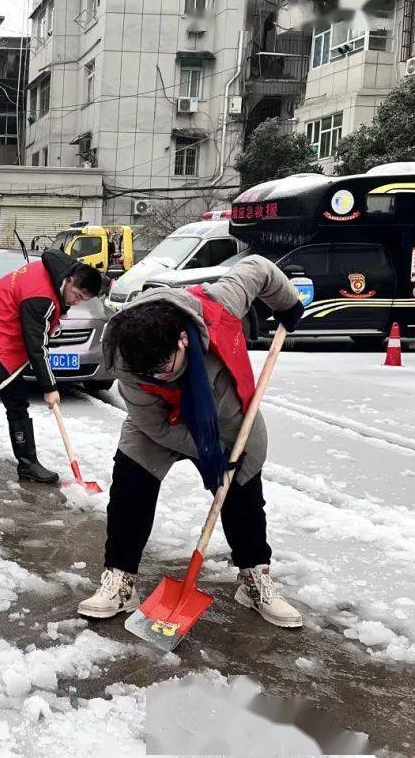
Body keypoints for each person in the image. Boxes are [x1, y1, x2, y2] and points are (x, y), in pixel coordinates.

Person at [77, 255, 306, 629]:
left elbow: (259, 267)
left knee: (242, 492)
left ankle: (254, 577)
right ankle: (120, 579)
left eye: (164, 367)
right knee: (130, 488)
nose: (158, 376)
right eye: (150, 372)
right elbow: (158, 428)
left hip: (228, 420)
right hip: (158, 426)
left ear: (182, 339)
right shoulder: (128, 364)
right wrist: (209, 453)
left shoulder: (220, 303)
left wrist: (288, 304)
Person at [0, 249, 103, 482]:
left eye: (82, 300)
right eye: (76, 295)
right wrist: (49, 387)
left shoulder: (58, 270)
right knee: (16, 400)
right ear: (69, 280)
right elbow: (36, 345)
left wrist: (60, 310)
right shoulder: (40, 296)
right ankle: (27, 464)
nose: (76, 302)